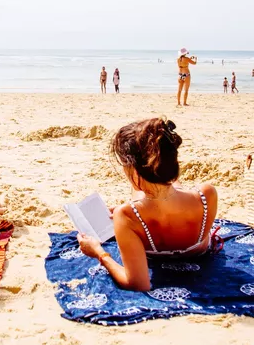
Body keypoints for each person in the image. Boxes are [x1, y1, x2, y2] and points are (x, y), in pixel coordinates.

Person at [77, 118, 218, 291]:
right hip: (197, 252)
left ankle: (149, 188)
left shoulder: (126, 215)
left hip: (151, 243)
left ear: (133, 171)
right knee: (164, 188)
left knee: (141, 192)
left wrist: (98, 252)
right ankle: (157, 183)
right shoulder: (207, 194)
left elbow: (137, 283)